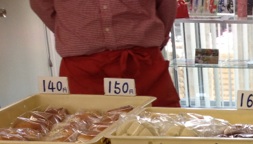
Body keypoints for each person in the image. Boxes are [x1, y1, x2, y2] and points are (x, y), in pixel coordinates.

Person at [29, 0, 181, 107]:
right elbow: (41, 5)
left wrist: (158, 37)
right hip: (82, 70)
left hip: (143, 64)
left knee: (162, 130)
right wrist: (71, 33)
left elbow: (167, 5)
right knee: (83, 131)